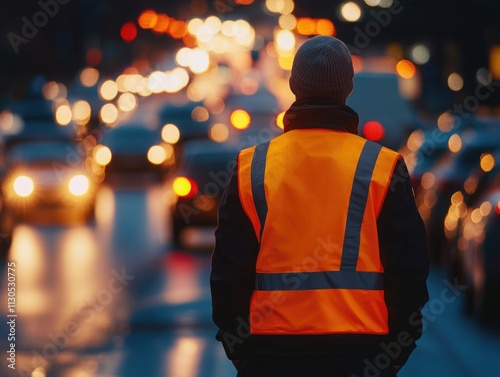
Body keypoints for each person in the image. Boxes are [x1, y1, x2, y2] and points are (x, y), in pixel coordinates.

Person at [210, 35, 429, 377]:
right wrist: (396, 351)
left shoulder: (252, 167)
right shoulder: (383, 167)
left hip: (271, 356)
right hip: (363, 355)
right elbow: (409, 271)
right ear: (348, 88)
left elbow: (228, 274)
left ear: (295, 85)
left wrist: (242, 353)